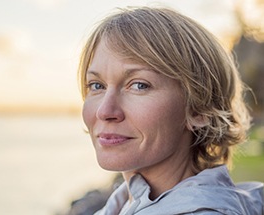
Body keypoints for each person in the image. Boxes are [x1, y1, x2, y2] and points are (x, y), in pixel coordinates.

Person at [78, 6, 264, 214]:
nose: (104, 111)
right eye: (97, 85)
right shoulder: (123, 202)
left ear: (199, 109)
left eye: (139, 85)